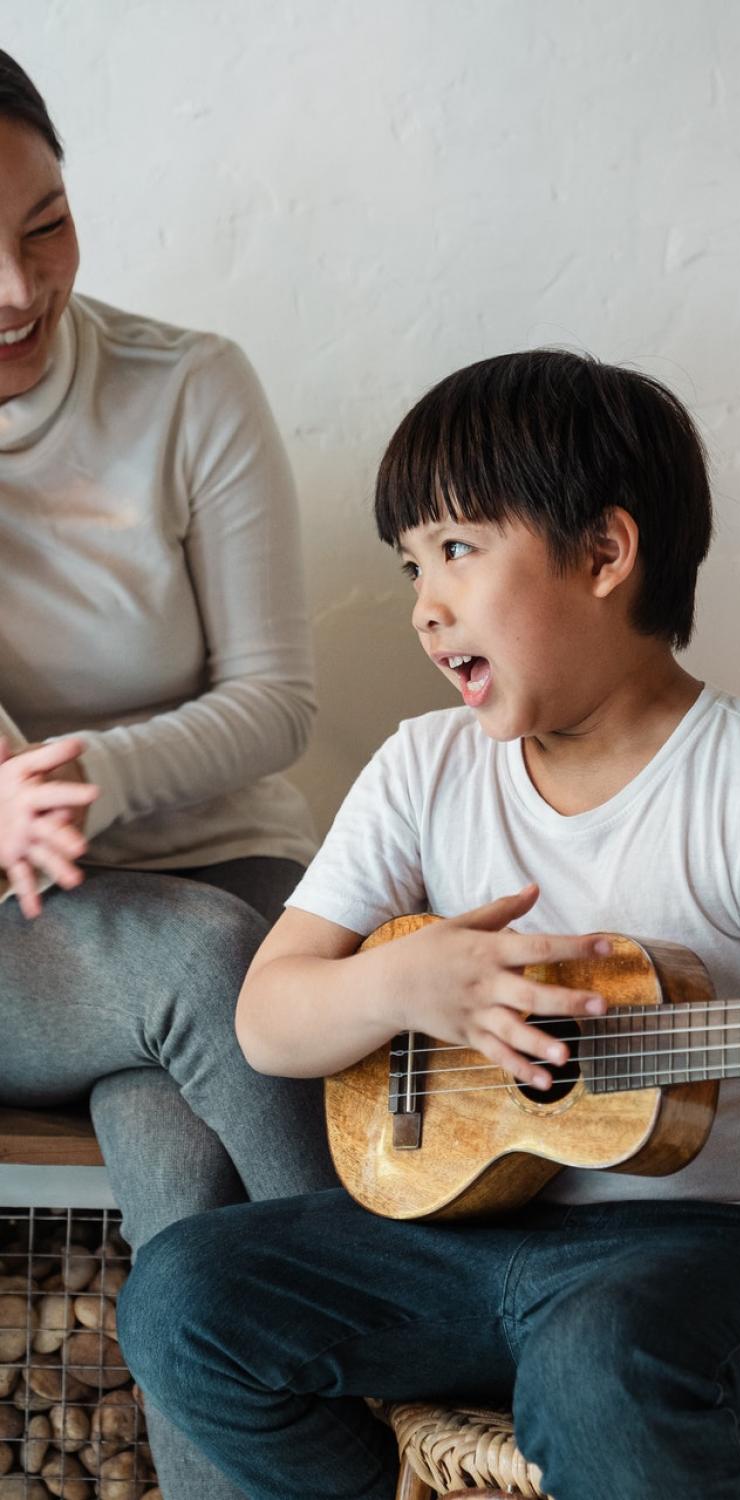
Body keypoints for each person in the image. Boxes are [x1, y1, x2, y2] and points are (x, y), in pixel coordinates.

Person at [119, 349, 740, 1500]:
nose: (424, 605)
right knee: (183, 1295)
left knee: (598, 1361)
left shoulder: (735, 787)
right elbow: (268, 1017)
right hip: (454, 1246)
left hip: (693, 1259)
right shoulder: (427, 767)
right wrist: (408, 991)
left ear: (606, 553)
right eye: (411, 564)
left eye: (458, 549)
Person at [0, 49, 336, 1500]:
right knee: (201, 961)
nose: (20, 293)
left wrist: (89, 777)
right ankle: (428, 1340)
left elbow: (276, 703)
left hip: (219, 860)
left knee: (182, 1178)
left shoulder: (187, 386)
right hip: (27, 932)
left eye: (45, 223)